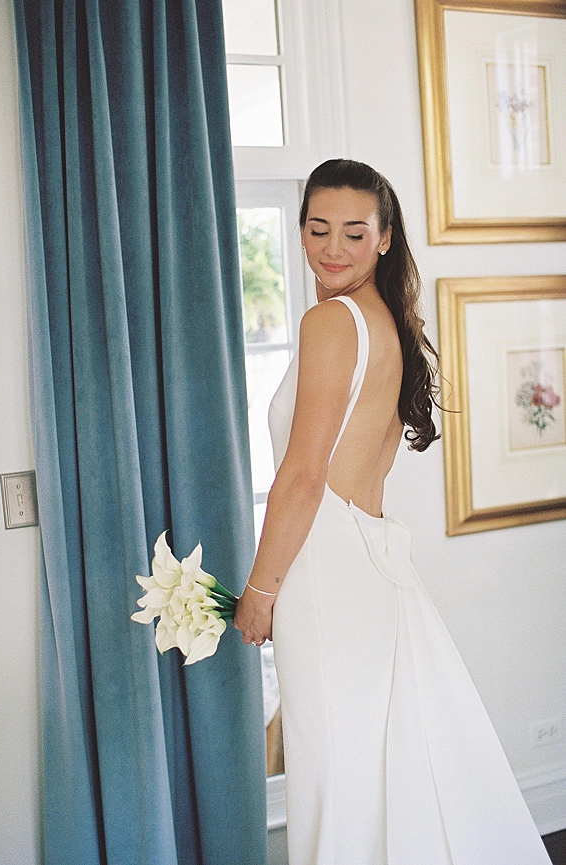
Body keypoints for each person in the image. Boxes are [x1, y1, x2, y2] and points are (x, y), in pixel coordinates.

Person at [233, 159, 551, 865]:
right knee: (379, 769)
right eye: (318, 229)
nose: (332, 247)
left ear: (383, 237)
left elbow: (304, 476)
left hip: (324, 577)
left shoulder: (330, 321)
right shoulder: (387, 321)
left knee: (336, 777)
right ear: (300, 229)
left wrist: (261, 589)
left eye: (354, 231)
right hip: (370, 569)